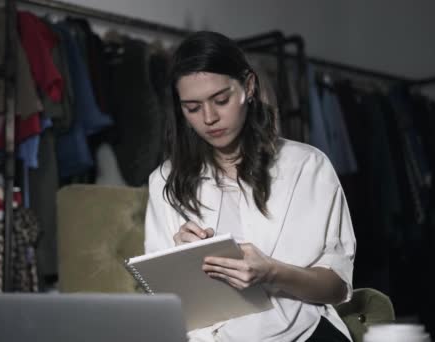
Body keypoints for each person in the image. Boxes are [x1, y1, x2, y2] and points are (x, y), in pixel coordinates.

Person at [144, 31, 356, 342]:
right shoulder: (164, 181)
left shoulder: (307, 167)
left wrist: (272, 272)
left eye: (221, 100)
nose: (209, 118)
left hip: (302, 335)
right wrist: (183, 266)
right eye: (192, 107)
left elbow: (337, 288)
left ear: (249, 86)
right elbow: (164, 301)